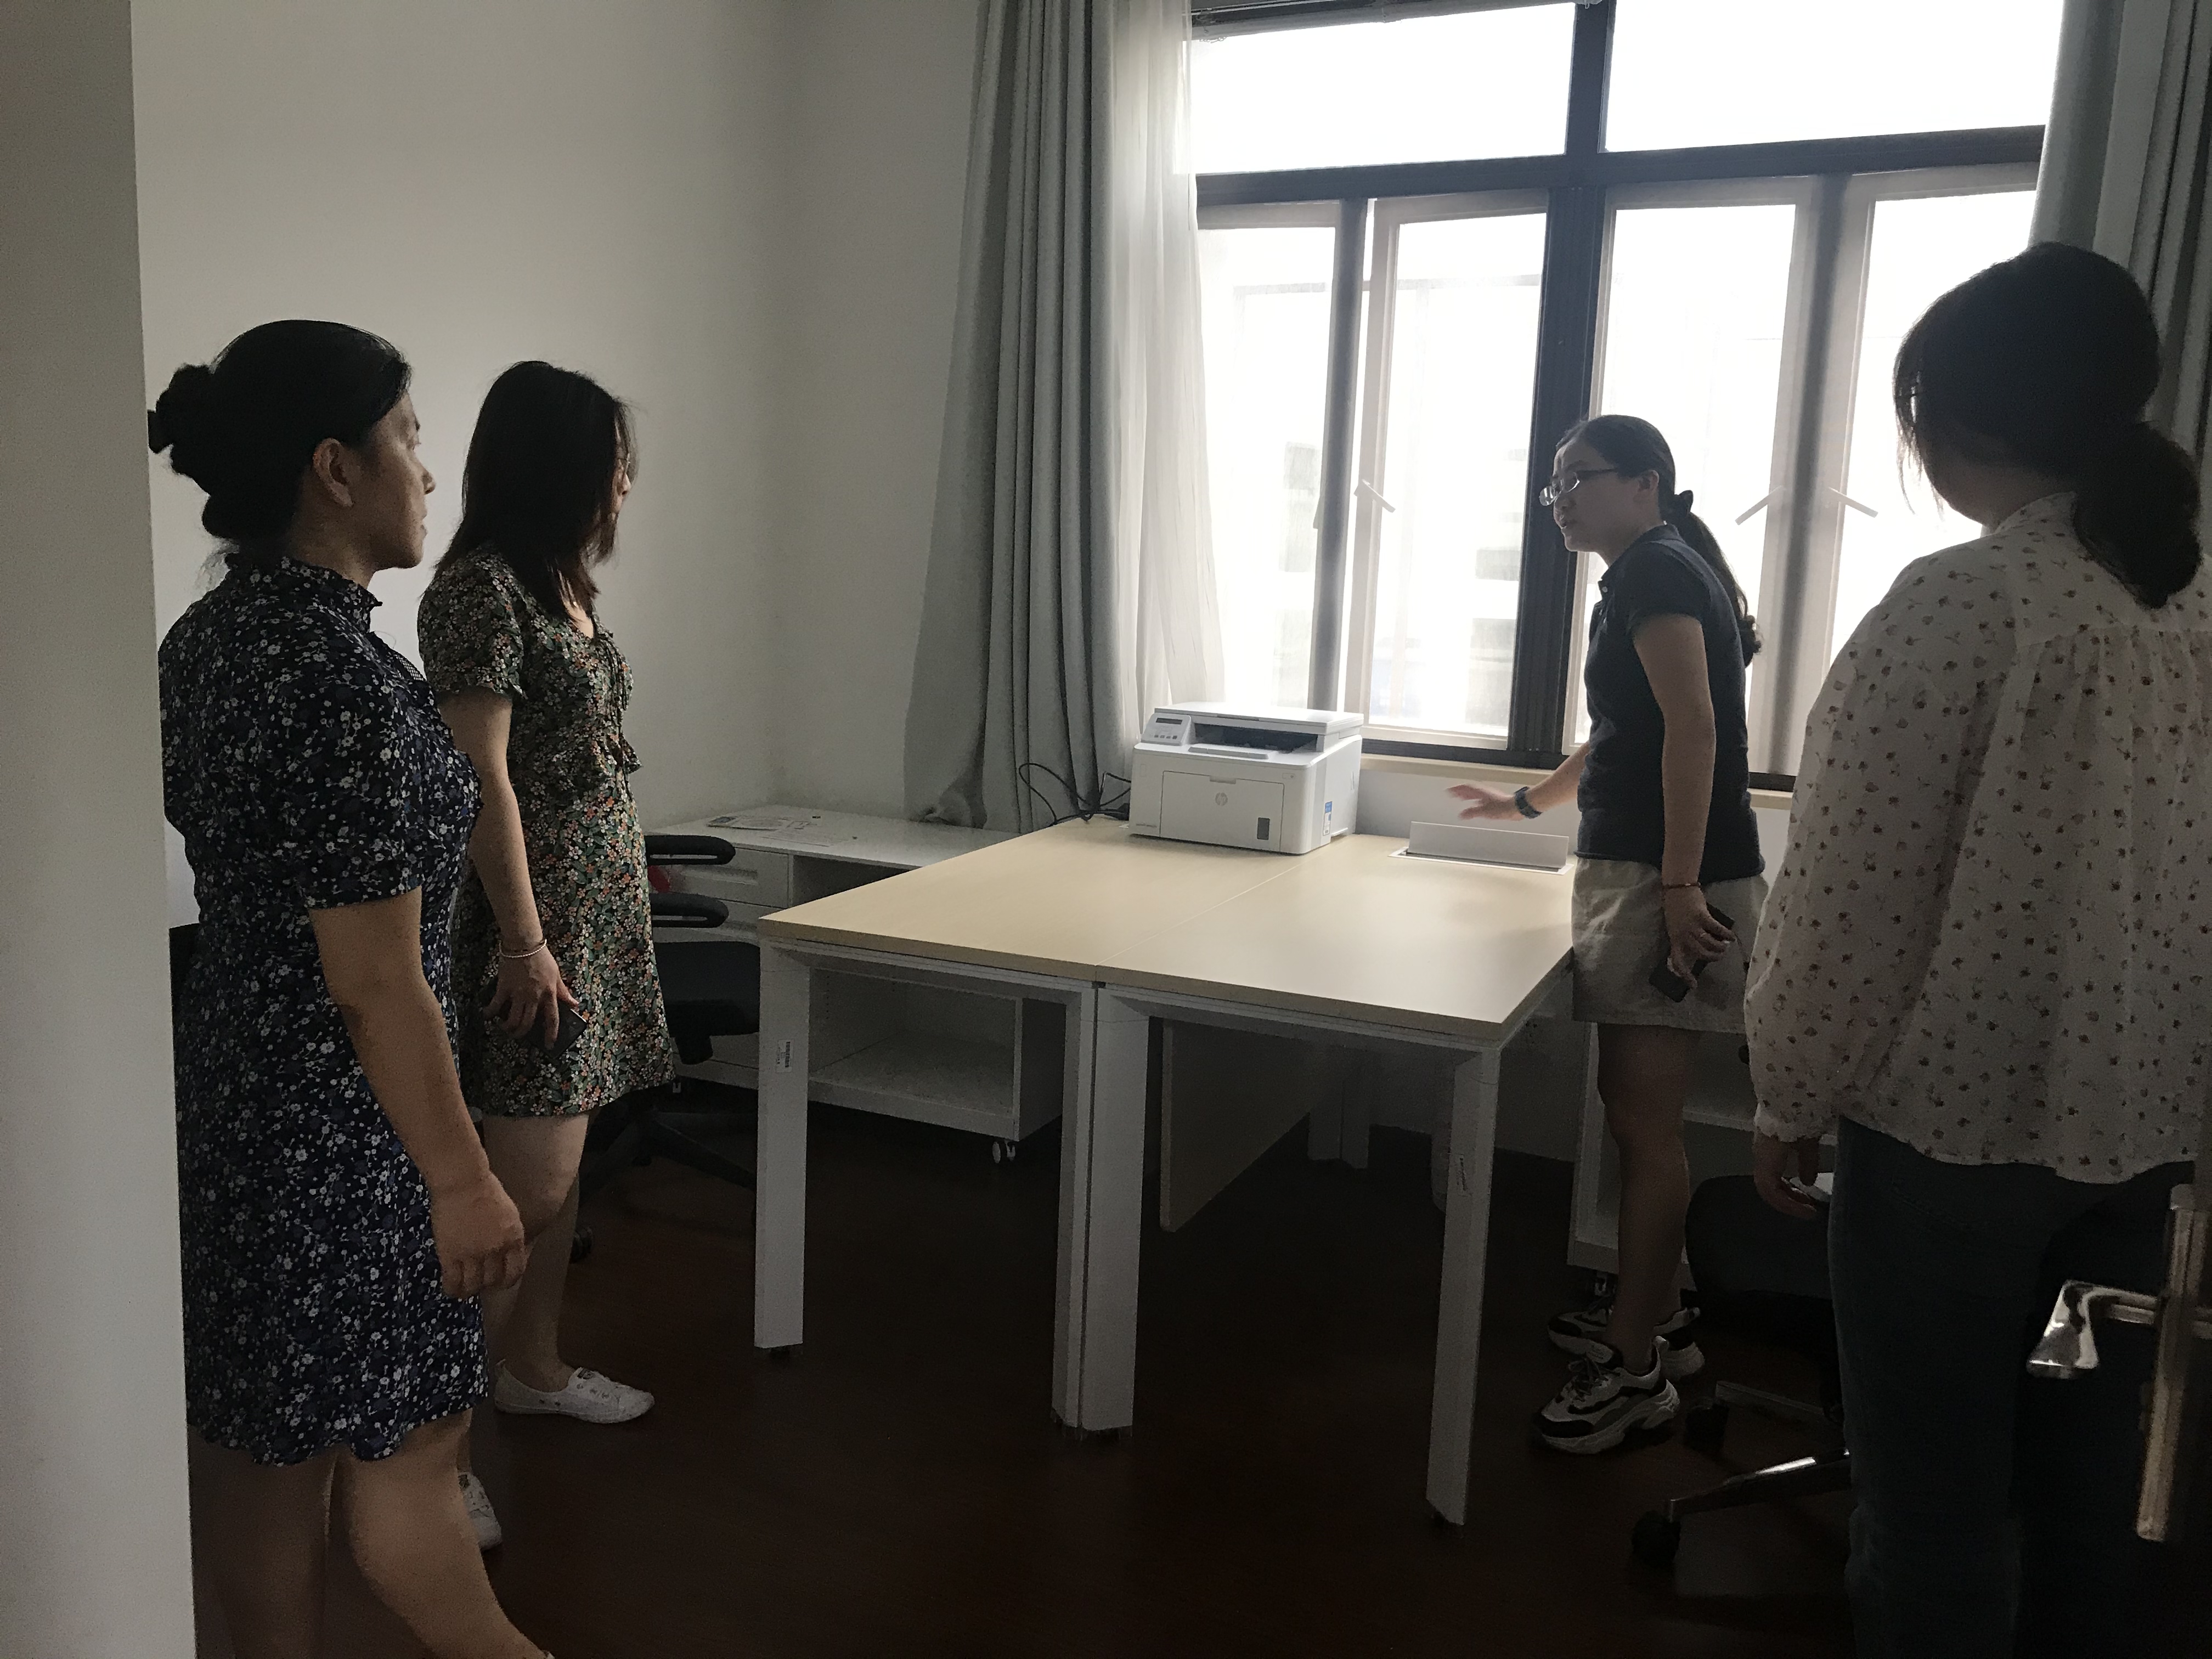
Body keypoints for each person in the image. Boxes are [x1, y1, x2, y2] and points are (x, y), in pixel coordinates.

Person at [1746, 243, 2206, 1657]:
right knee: (2096, 1501)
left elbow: (1848, 898)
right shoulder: (2188, 603)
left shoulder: (1960, 604)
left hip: (1955, 1140)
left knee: (1933, 1512)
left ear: (1947, 419)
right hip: (2153, 1134)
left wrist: (1789, 1091)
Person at [155, 321, 548, 1659]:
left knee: (263, 1460)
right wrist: (463, 1177)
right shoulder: (340, 685)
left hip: (237, 1105)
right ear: (335, 467)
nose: (427, 472)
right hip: (353, 1135)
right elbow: (377, 987)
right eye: (409, 439)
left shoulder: (210, 641)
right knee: (413, 1465)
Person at [1453, 414, 1765, 1453]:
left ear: (1647, 483)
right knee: (1636, 1119)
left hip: (1660, 878)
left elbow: (1695, 730)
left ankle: (1635, 1372)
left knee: (1643, 1126)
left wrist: (1677, 886)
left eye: (1577, 479)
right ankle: (1655, 1316)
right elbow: (1627, 732)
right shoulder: (1645, 573)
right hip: (1642, 872)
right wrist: (1525, 804)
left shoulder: (1657, 573)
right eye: (1553, 486)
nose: (1560, 501)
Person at [417, 362, 673, 1545]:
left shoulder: (559, 585)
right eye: (612, 462)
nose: (625, 483)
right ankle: (437, 1452)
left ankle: (535, 1369)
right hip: (537, 931)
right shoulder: (477, 594)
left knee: (563, 1179)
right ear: (559, 466)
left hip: (596, 919)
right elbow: (483, 781)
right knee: (516, 1194)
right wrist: (525, 942)